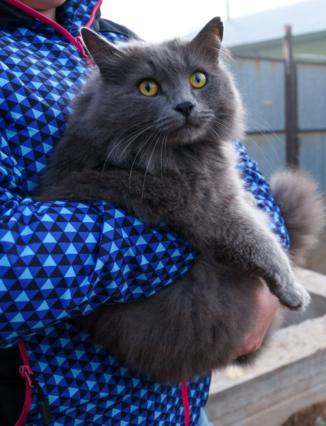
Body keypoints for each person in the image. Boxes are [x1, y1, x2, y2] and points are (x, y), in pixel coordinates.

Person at [0, 0, 284, 424]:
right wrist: (201, 224)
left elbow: (232, 165)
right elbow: (10, 268)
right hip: (73, 413)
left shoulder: (118, 38)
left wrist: (270, 272)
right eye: (149, 89)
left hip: (183, 408)